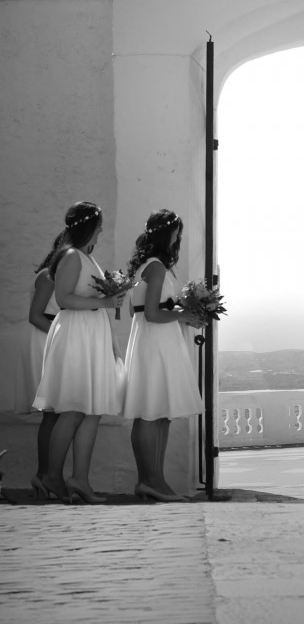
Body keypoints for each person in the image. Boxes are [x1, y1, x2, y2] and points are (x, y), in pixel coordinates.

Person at [33, 201, 126, 503]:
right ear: (90, 226)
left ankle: (80, 479)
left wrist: (109, 297)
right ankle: (51, 476)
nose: (101, 230)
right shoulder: (72, 256)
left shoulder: (88, 257)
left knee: (92, 410)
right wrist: (104, 302)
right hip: (76, 336)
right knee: (73, 409)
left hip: (91, 336)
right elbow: (63, 299)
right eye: (99, 224)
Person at [123, 209, 204, 502]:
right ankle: (151, 480)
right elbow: (154, 314)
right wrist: (183, 314)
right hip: (156, 342)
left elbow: (139, 310)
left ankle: (153, 481)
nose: (178, 238)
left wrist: (183, 314)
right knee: (150, 413)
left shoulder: (148, 265)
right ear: (167, 234)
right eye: (177, 232)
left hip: (153, 340)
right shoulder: (156, 267)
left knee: (159, 414)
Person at [13, 234, 63, 499]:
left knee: (57, 413)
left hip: (54, 340)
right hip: (45, 341)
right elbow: (35, 315)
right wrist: (62, 336)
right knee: (51, 413)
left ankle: (48, 475)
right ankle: (44, 475)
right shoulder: (47, 276)